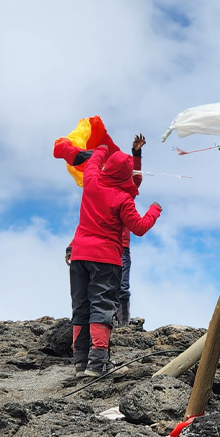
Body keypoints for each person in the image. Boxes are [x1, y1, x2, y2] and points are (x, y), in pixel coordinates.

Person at [54, 138, 161, 377]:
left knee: (80, 308)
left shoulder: (91, 181)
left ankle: (80, 365)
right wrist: (155, 210)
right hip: (107, 259)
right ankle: (97, 364)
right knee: (102, 308)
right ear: (125, 175)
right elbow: (140, 227)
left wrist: (101, 149)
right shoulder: (123, 199)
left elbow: (95, 161)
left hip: (80, 256)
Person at [115, 134, 147, 327]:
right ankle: (107, 321)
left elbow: (136, 176)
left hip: (122, 247)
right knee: (105, 286)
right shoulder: (100, 193)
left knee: (122, 286)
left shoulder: (127, 192)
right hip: (106, 246)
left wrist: (136, 153)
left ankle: (123, 325)